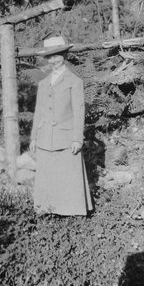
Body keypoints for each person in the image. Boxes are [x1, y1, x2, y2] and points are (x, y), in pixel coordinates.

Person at [30, 35, 93, 216]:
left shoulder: (75, 81)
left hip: (66, 139)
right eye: (49, 57)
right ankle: (48, 210)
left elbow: (79, 112)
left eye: (56, 56)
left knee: (68, 176)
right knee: (48, 176)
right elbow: (39, 112)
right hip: (45, 138)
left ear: (65, 55)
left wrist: (77, 139)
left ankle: (72, 211)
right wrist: (34, 137)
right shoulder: (43, 83)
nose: (53, 60)